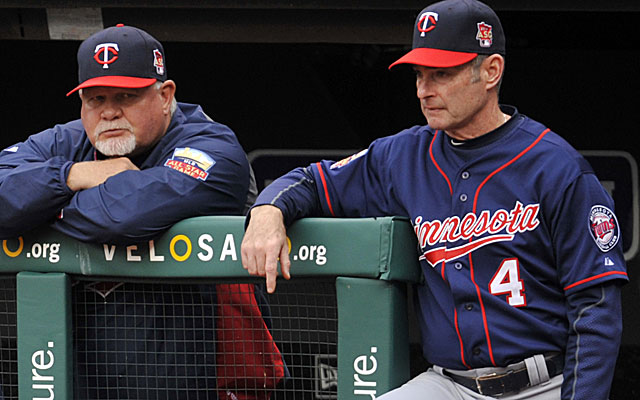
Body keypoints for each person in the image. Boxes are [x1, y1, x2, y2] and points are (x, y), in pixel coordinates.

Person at [240, 0, 628, 399]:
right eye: (419, 75)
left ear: (491, 71)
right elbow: (312, 181)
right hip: (448, 384)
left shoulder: (556, 167)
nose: (425, 91)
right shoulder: (401, 155)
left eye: (442, 74)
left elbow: (595, 308)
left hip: (541, 384)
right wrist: (269, 209)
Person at [0, 25, 285, 399]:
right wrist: (72, 175)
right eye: (95, 98)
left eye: (126, 96)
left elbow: (124, 217)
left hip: (191, 375)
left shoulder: (212, 146)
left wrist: (36, 206)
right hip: (81, 377)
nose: (109, 112)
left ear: (165, 95)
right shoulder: (67, 143)